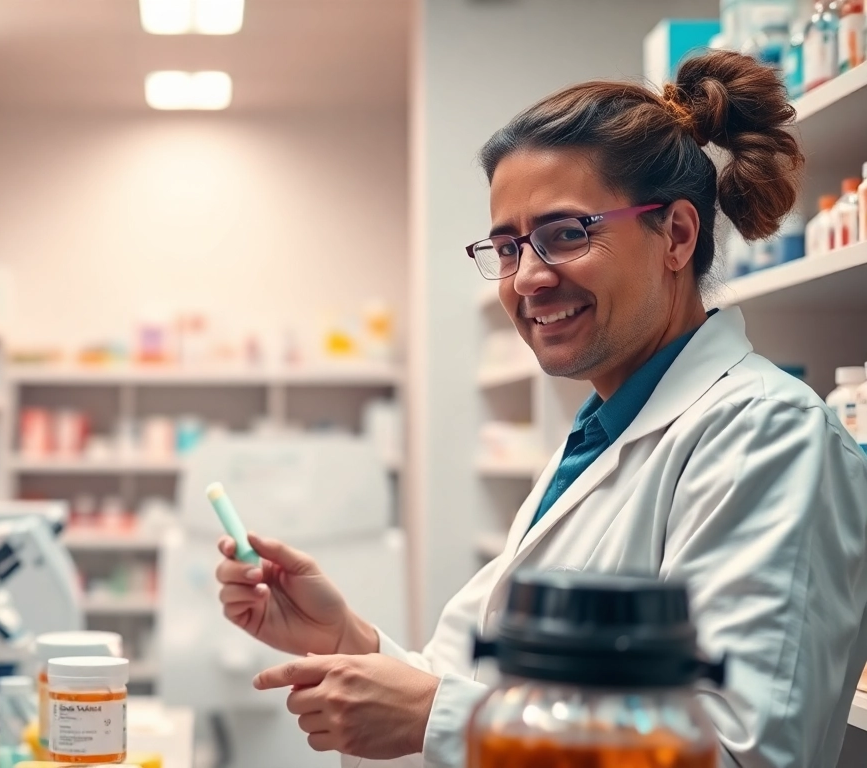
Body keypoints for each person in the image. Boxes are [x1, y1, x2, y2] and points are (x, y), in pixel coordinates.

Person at [215, 50, 867, 767]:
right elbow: (481, 684)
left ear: (677, 236)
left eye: (566, 234)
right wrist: (346, 642)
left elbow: (748, 755)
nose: (527, 278)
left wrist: (444, 721)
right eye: (506, 245)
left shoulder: (768, 437)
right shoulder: (598, 433)